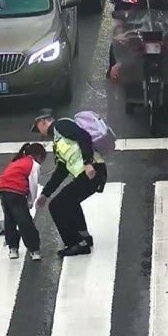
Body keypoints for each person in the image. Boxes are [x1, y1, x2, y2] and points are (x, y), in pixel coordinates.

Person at [32, 109, 107, 257]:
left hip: (92, 171)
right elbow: (61, 171)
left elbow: (84, 137)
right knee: (69, 202)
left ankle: (75, 243)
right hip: (86, 174)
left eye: (38, 128)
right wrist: (45, 194)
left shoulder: (61, 125)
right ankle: (84, 238)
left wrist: (87, 163)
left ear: (43, 121)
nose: (40, 133)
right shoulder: (58, 140)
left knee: (57, 205)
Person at [0, 142, 47, 261]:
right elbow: (33, 184)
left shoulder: (17, 161)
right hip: (16, 192)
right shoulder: (33, 164)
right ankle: (34, 249)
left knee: (10, 219)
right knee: (24, 221)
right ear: (39, 156)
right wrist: (30, 201)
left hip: (3, 190)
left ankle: (13, 248)